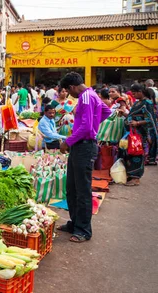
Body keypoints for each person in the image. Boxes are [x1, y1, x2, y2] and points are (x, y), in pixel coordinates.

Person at [59, 72, 111, 243]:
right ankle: (75, 223)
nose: (69, 95)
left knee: (82, 191)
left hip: (84, 146)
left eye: (68, 91)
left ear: (72, 87)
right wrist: (94, 123)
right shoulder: (92, 95)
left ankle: (83, 230)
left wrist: (68, 141)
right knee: (72, 187)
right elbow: (106, 111)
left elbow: (86, 127)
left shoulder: (86, 97)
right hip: (80, 146)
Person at [124, 84, 158, 184]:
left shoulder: (147, 103)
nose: (133, 95)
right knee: (130, 152)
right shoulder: (136, 103)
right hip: (132, 133)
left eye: (134, 93)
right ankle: (130, 174)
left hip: (141, 134)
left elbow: (150, 119)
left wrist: (137, 123)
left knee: (137, 153)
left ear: (140, 91)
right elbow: (131, 115)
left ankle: (136, 177)